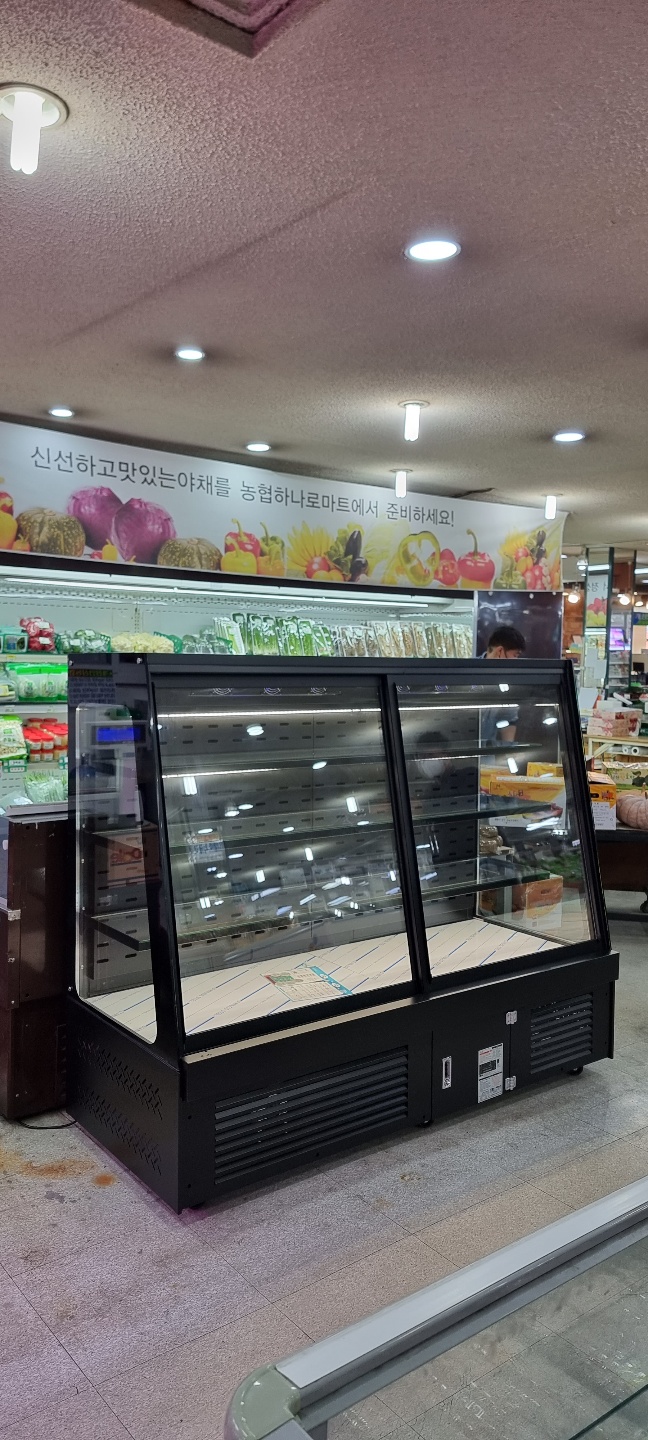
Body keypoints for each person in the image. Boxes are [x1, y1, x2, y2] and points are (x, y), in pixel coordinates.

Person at [481, 625, 526, 743]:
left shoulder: (509, 680)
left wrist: (508, 749)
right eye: (515, 655)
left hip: (487, 750)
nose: (516, 660)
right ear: (500, 651)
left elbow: (508, 718)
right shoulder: (467, 672)